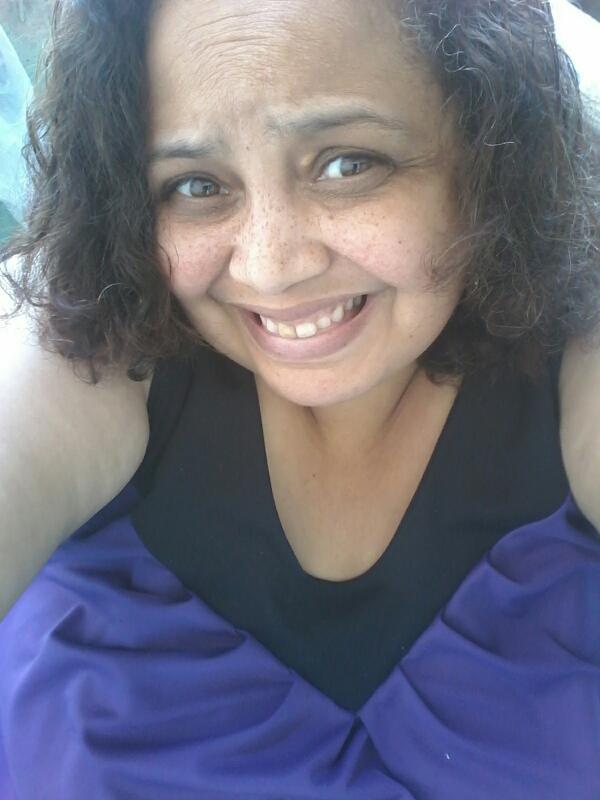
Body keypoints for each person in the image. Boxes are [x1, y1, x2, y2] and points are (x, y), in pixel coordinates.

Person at [0, 0, 599, 797]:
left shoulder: (576, 338)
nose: (272, 265)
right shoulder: (88, 325)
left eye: (348, 164)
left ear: (490, 147)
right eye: (197, 185)